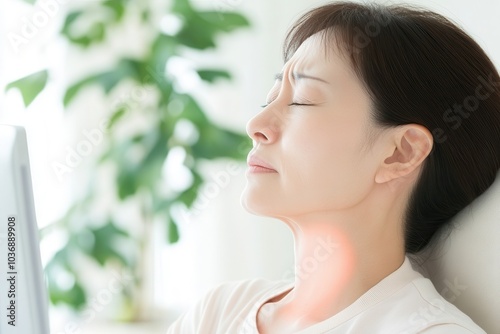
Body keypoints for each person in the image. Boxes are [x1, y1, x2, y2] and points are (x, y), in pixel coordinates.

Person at [166, 2, 500, 333]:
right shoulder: (220, 311)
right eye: (269, 99)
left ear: (401, 153)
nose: (257, 124)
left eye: (302, 100)